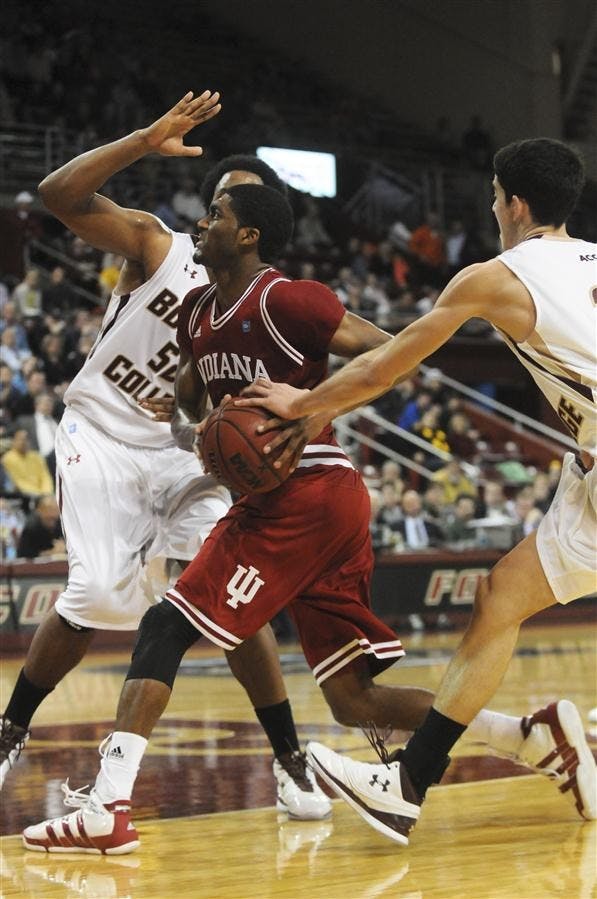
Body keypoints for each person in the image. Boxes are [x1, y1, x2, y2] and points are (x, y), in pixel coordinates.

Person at [23, 180, 590, 854]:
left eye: (215, 216)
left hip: (309, 490)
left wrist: (314, 405)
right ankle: (530, 738)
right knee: (354, 701)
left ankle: (107, 807)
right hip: (297, 501)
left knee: (164, 625)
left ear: (248, 235)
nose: (200, 224)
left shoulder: (289, 300)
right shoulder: (196, 314)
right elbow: (184, 401)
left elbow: (393, 355)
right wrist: (198, 431)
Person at [239, 137, 597, 843]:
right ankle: (407, 785)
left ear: (514, 204)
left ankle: (410, 783)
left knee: (500, 599)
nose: (493, 210)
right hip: (589, 466)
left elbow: (385, 367)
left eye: (494, 198)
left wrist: (301, 404)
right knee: (500, 597)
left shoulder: (494, 278)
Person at [0, 92, 331, 822]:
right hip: (102, 430)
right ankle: (11, 728)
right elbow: (58, 195)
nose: (215, 220)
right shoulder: (159, 245)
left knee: (228, 595)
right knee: (96, 595)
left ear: (256, 232)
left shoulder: (270, 301)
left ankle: (289, 759)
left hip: (185, 452)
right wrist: (143, 142)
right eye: (215, 205)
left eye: (235, 210)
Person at [16, 494, 65, 559]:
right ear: (39, 511)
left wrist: (65, 548)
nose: (52, 514)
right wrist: (50, 553)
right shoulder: (31, 528)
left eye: (55, 510)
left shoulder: (63, 525)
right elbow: (23, 555)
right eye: (48, 510)